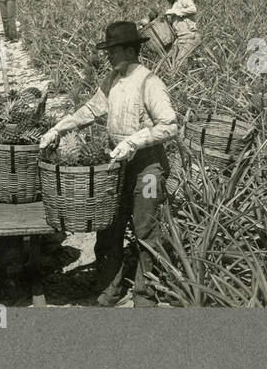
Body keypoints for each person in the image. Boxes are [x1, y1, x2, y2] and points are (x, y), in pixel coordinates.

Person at [39, 21, 180, 308]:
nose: (109, 56)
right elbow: (92, 108)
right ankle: (109, 289)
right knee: (109, 228)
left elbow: (169, 125)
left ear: (131, 50)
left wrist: (134, 141)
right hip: (117, 164)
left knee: (146, 230)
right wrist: (60, 127)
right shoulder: (113, 78)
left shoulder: (149, 82)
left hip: (148, 166)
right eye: (108, 51)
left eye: (113, 51)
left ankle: (145, 296)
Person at [162, 0, 202, 69]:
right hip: (180, 39)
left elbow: (193, 9)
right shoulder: (171, 7)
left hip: (190, 36)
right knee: (170, 60)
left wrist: (177, 12)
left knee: (179, 62)